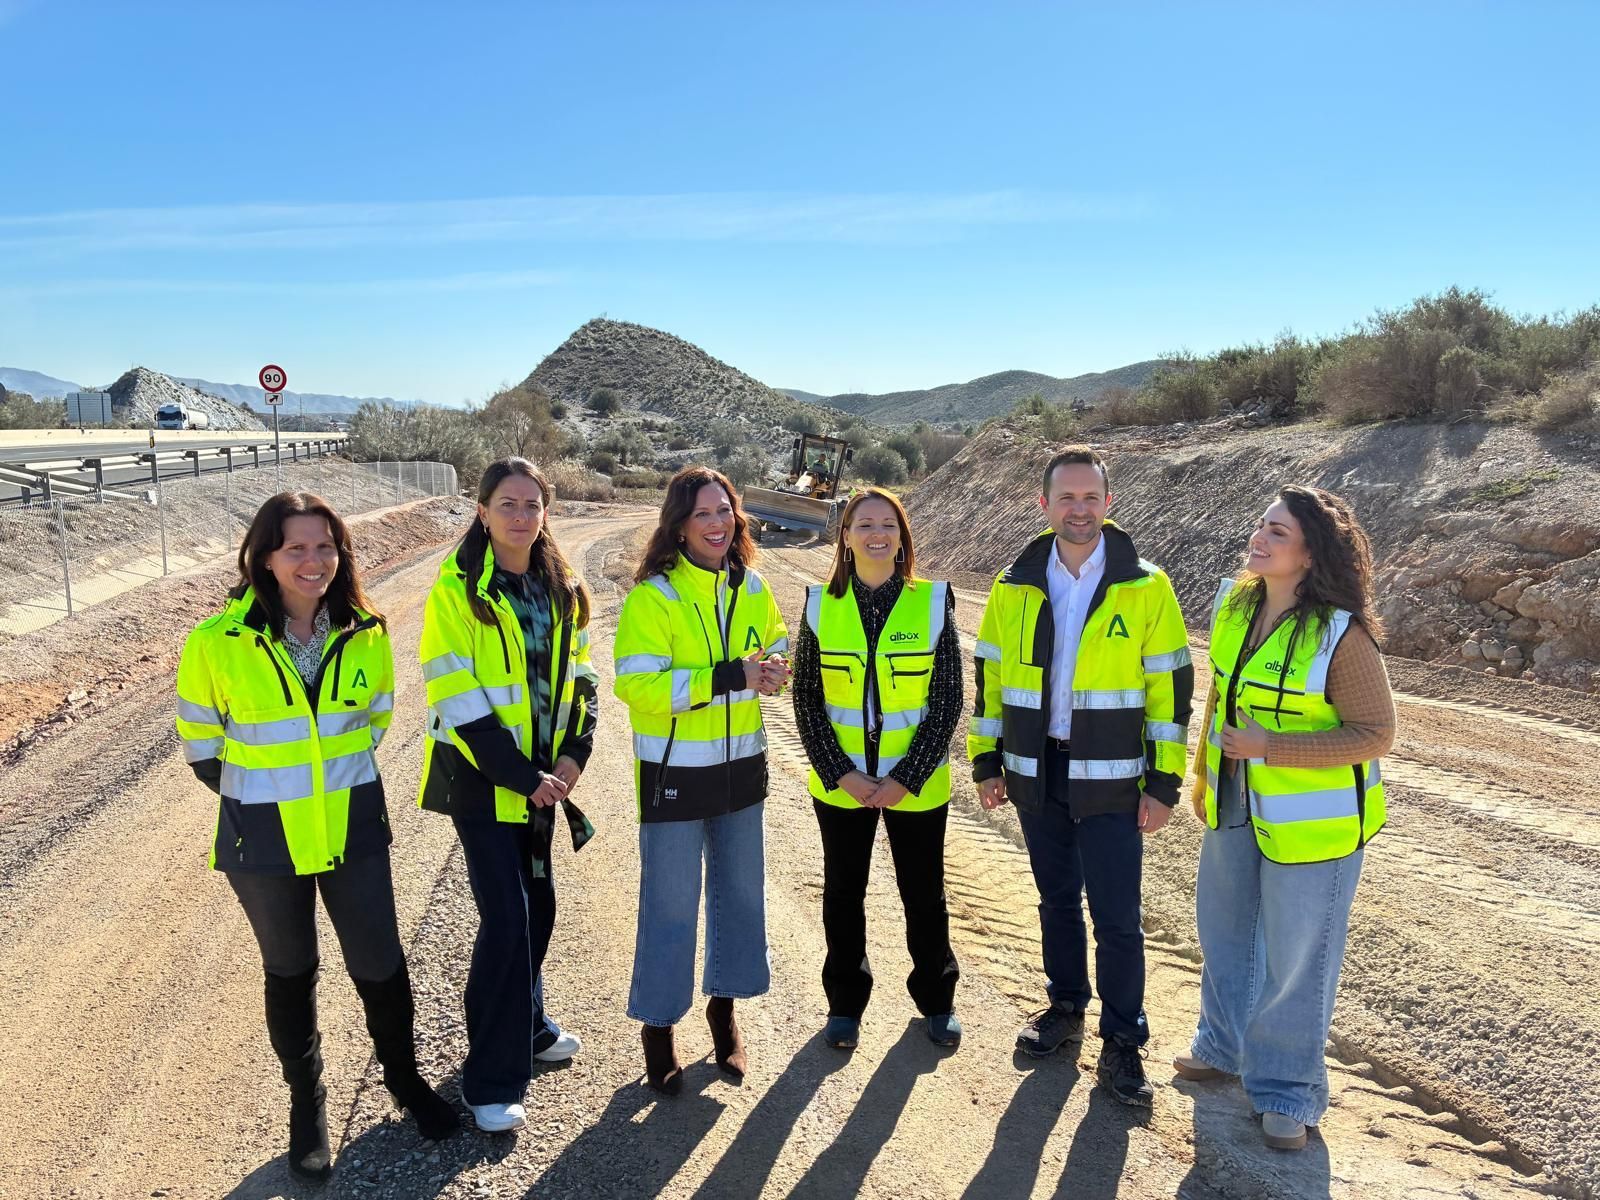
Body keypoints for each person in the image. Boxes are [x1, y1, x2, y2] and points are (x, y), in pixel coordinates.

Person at [175, 492, 457, 1182]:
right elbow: (202, 747)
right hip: (263, 837)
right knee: (291, 968)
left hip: (352, 823)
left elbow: (377, 720)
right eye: (296, 548)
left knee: (380, 962)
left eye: (325, 547)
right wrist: (273, 800)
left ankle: (404, 1079)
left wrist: (324, 792)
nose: (313, 561)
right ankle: (309, 1104)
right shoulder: (217, 641)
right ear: (264, 556)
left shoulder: (366, 631)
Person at [968, 445, 1192, 1108]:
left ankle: (1123, 1042)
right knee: (1056, 900)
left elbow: (1170, 692)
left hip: (1117, 778)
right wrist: (987, 762)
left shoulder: (1146, 585)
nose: (1079, 509)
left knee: (1118, 917)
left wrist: (1164, 782)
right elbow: (992, 678)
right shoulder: (1014, 584)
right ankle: (1065, 1007)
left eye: (1091, 497)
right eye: (1066, 497)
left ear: (1109, 503)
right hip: (1038, 770)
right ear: (1045, 505)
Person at [1176, 486, 1394, 1151]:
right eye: (1261, 526)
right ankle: (1222, 1046)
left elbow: (1375, 733)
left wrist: (1275, 748)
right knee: (1226, 932)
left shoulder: (1341, 632)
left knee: (1299, 960)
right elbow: (1221, 694)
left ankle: (1287, 1093)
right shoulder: (1237, 603)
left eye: (1276, 532)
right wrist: (1206, 775)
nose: (1259, 538)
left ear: (1308, 553)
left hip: (1315, 827)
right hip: (1236, 802)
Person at [417, 457, 598, 1133]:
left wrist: (575, 755)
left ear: (544, 513)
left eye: (532, 505)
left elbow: (582, 677)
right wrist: (524, 776)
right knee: (511, 919)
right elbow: (457, 699)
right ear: (482, 510)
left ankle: (529, 1026)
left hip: (545, 785)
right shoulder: (457, 590)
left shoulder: (561, 586)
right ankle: (489, 1078)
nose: (521, 515)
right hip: (484, 784)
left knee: (539, 908)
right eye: (508, 504)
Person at [613, 465, 790, 1093]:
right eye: (702, 515)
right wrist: (728, 676)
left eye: (725, 512)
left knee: (741, 897)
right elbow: (636, 686)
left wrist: (775, 667)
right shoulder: (653, 597)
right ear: (680, 527)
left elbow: (777, 643)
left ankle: (725, 1008)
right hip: (675, 778)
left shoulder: (754, 586)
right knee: (669, 905)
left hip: (742, 771)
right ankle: (659, 1026)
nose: (716, 524)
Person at [791, 487, 963, 1049]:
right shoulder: (819, 604)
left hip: (915, 785)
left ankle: (937, 1000)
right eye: (863, 524)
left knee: (924, 893)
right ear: (845, 536)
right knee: (843, 892)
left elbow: (947, 700)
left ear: (902, 536)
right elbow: (808, 700)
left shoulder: (933, 601)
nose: (876, 534)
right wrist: (841, 772)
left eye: (887, 524)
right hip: (842, 784)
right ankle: (845, 1004)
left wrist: (903, 778)